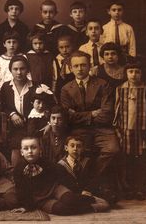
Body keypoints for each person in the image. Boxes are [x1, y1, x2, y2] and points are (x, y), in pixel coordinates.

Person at [60, 50, 120, 197]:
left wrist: (79, 115)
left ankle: (91, 184)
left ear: (89, 66)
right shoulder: (66, 89)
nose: (80, 69)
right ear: (70, 68)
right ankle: (92, 188)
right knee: (80, 153)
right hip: (79, 131)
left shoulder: (103, 84)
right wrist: (92, 113)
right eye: (76, 66)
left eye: (83, 65)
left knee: (112, 149)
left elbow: (106, 114)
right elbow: (68, 117)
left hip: (102, 129)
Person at [13, 137, 96, 215]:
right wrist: (26, 206)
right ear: (21, 152)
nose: (30, 151)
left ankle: (92, 200)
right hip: (41, 198)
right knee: (61, 209)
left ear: (40, 150)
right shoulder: (19, 169)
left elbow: (59, 177)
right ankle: (91, 208)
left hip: (55, 189)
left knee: (70, 199)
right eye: (26, 148)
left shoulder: (47, 163)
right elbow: (21, 189)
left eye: (33, 148)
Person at [114, 58, 146, 200]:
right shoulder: (120, 89)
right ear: (126, 73)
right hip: (124, 131)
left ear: (141, 74)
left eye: (137, 72)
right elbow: (116, 110)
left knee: (140, 160)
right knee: (125, 160)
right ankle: (126, 188)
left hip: (141, 131)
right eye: (130, 72)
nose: (133, 75)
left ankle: (139, 188)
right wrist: (117, 129)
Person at [56, 136, 110, 212]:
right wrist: (81, 192)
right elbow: (65, 183)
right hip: (73, 193)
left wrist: (87, 190)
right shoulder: (61, 165)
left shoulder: (88, 162)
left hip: (87, 192)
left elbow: (94, 178)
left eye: (78, 146)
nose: (75, 149)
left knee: (111, 196)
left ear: (83, 149)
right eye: (72, 146)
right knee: (68, 200)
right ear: (66, 148)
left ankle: (90, 202)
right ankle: (92, 206)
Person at [0, 56, 35, 166]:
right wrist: (12, 114)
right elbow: (2, 105)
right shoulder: (6, 87)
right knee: (16, 144)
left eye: (22, 68)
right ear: (10, 70)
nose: (19, 72)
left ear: (28, 70)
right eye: (15, 69)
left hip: (33, 126)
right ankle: (17, 173)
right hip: (15, 127)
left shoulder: (35, 86)